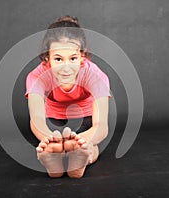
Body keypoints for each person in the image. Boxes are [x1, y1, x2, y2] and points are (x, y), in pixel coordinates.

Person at [25, 15, 111, 178]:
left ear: (82, 56)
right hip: (53, 121)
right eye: (58, 59)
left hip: (84, 119)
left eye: (73, 58)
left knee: (89, 146)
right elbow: (36, 118)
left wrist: (81, 142)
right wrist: (50, 140)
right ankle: (54, 158)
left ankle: (83, 157)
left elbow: (101, 125)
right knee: (54, 144)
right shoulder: (37, 76)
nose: (66, 68)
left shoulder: (95, 75)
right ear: (47, 58)